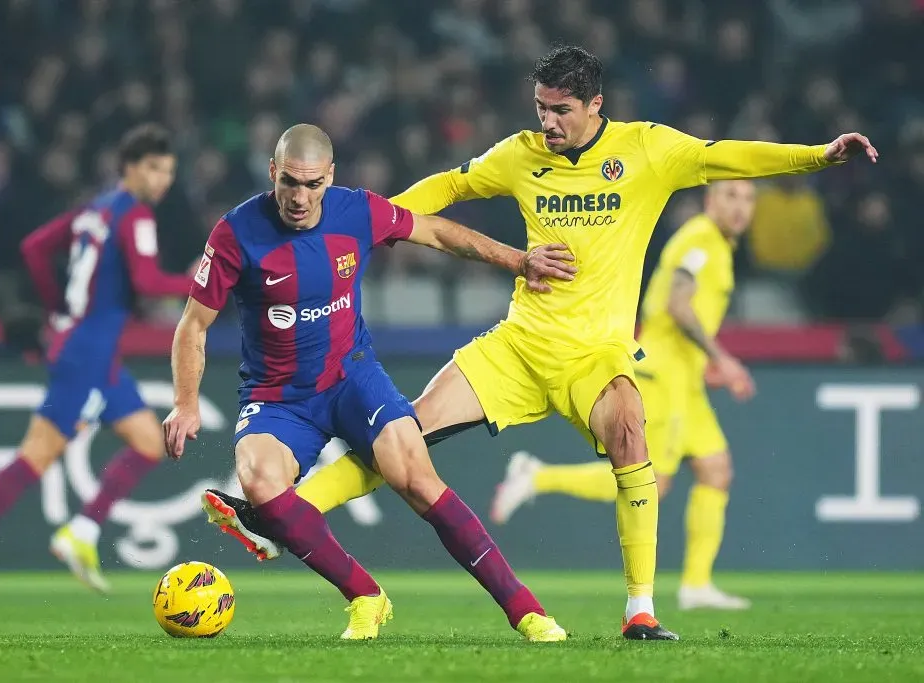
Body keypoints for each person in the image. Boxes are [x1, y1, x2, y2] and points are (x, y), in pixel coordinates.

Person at [202, 46, 878, 641]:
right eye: (538, 107)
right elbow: (456, 186)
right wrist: (374, 221)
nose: (545, 121)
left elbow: (723, 156)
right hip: (520, 347)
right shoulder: (521, 155)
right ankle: (278, 515)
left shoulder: (647, 149)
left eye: (558, 109)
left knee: (631, 434)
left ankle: (640, 609)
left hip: (595, 356)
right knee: (405, 438)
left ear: (594, 105)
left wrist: (815, 156)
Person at [161, 124, 572, 642]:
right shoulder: (235, 232)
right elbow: (193, 325)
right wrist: (185, 403)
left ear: (330, 177)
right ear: (273, 173)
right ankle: (365, 597)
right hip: (278, 397)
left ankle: (526, 612)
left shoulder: (357, 210)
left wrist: (518, 260)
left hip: (353, 377)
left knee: (417, 479)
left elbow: (439, 231)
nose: (300, 197)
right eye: (290, 182)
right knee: (259, 479)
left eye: (313, 184)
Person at [0, 123, 196, 605]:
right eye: (155, 169)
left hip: (88, 347)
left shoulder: (94, 210)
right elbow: (150, 282)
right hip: (88, 353)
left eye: (169, 172)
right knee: (38, 453)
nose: (163, 180)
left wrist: (59, 312)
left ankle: (82, 533)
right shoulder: (134, 216)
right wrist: (198, 284)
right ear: (130, 168)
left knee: (148, 440)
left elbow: (34, 249)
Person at [490, 180, 759, 611]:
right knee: (654, 480)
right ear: (711, 201)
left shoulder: (719, 247)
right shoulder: (700, 239)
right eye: (730, 196)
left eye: (748, 199)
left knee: (715, 469)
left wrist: (703, 362)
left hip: (686, 382)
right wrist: (721, 359)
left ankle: (696, 585)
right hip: (662, 377)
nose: (740, 207)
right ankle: (537, 475)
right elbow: (678, 303)